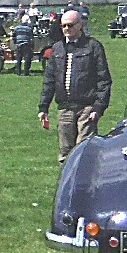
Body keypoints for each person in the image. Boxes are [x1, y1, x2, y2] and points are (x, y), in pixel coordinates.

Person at [38, 10, 112, 162]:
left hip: (87, 107)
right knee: (65, 152)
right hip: (65, 107)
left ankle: (86, 183)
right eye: (63, 26)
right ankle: (67, 184)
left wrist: (98, 107)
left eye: (70, 25)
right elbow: (49, 80)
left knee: (84, 149)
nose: (66, 29)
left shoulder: (93, 47)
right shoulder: (57, 49)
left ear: (81, 25)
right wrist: (43, 107)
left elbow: (104, 79)